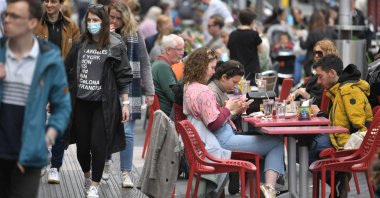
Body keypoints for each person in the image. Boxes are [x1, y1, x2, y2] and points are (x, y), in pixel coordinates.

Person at [183, 48, 284, 198]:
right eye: (211, 68)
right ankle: (268, 189)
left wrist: (230, 110)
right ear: (202, 66)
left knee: (268, 142)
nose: (212, 72)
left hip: (213, 140)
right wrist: (228, 109)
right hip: (223, 141)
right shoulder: (204, 91)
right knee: (275, 143)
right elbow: (214, 124)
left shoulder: (189, 88)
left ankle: (260, 190)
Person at [0, 0, 71, 197]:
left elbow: (62, 106)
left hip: (29, 154)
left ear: (32, 23)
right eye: (6, 15)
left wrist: (48, 136)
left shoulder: (49, 57)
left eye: (15, 16)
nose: (7, 20)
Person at [64, 4, 132, 197]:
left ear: (104, 22)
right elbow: (66, 69)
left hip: (104, 104)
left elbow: (123, 76)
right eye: (89, 21)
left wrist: (125, 103)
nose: (92, 24)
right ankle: (87, 174)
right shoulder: (81, 44)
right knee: (82, 147)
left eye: (96, 20)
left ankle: (95, 184)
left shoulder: (115, 45)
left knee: (98, 144)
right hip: (81, 102)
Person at [102, 1, 155, 188]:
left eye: (118, 18)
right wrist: (106, 35)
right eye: (112, 17)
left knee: (128, 132)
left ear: (125, 18)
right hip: (106, 87)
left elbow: (145, 61)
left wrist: (149, 90)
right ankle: (106, 162)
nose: (114, 21)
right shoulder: (101, 34)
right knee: (106, 130)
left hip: (130, 87)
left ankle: (126, 172)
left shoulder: (134, 33)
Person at [311, 54, 373, 198]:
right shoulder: (339, 91)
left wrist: (320, 114)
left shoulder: (348, 91)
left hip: (349, 144)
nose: (319, 81)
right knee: (306, 145)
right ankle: (338, 181)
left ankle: (339, 180)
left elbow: (359, 125)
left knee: (313, 146)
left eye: (321, 76)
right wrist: (321, 114)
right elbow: (339, 122)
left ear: (332, 73)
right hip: (341, 138)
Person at [34, 0, 80, 184]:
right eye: (46, 1)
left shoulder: (71, 26)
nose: (49, 5)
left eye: (54, 1)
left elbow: (77, 55)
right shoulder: (35, 24)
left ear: (61, 4)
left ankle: (55, 167)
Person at [288, 39, 337, 108]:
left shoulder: (329, 75)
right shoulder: (317, 72)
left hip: (313, 112)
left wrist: (304, 93)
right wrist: (294, 93)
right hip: (303, 108)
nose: (316, 55)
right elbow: (304, 86)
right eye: (315, 53)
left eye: (319, 53)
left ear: (328, 54)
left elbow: (320, 103)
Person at [227, 9, 263, 86]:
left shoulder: (233, 34)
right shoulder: (254, 34)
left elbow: (229, 53)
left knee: (238, 96)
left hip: (236, 72)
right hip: (252, 72)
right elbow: (261, 50)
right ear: (252, 21)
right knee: (252, 95)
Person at [151, 34, 183, 116]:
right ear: (168, 50)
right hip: (168, 117)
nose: (182, 53)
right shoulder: (162, 66)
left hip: (165, 115)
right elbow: (174, 96)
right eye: (179, 49)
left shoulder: (159, 63)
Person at [299, 11, 336, 77]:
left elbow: (304, 46)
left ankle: (296, 80)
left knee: (298, 60)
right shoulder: (329, 30)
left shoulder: (313, 32)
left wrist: (300, 38)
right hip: (328, 60)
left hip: (313, 62)